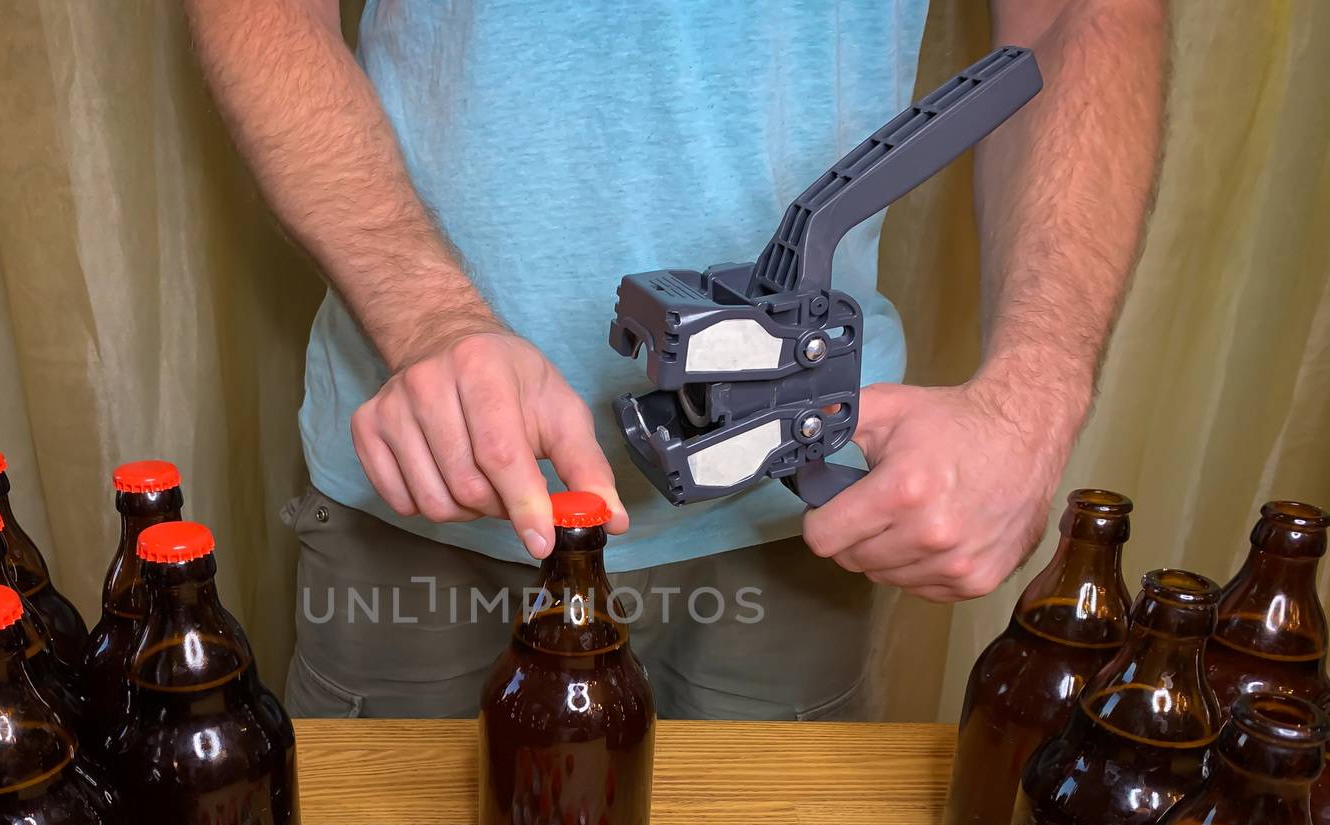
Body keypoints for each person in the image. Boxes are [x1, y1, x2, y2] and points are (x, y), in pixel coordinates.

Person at [184, 0, 1168, 720]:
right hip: (422, 489)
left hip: (794, 522)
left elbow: (1081, 16)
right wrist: (429, 320)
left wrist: (1035, 391)